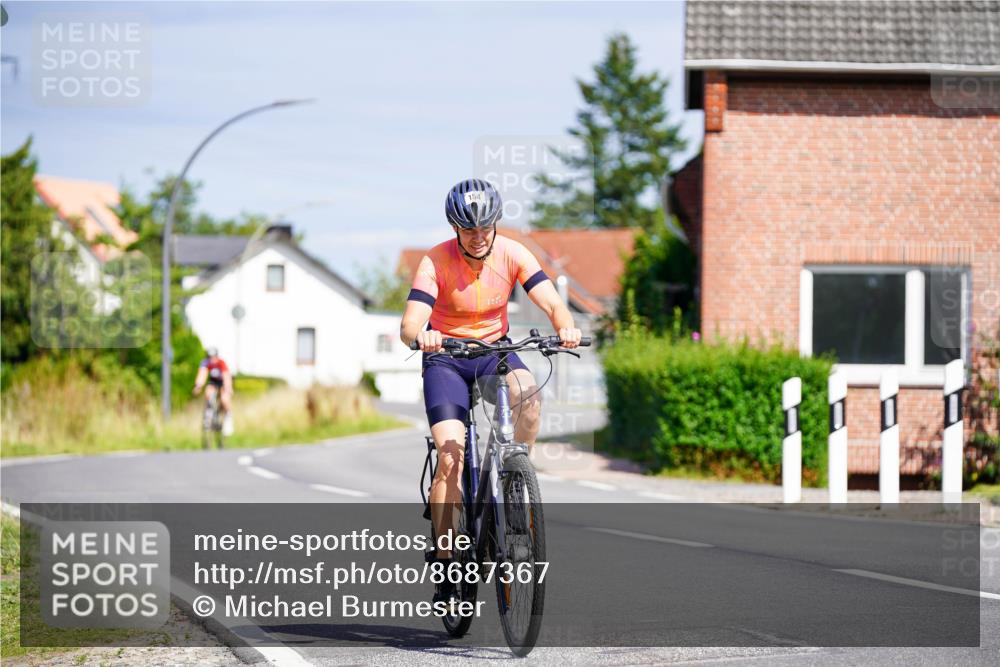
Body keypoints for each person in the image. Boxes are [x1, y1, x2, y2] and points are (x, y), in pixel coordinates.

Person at [399, 178, 581, 604]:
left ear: (496, 225)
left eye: (485, 229)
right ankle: (446, 563)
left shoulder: (513, 253)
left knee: (529, 397)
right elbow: (410, 323)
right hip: (445, 356)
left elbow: (552, 301)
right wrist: (422, 336)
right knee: (450, 457)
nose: (478, 238)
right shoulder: (434, 261)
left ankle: (516, 478)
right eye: (468, 230)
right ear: (455, 228)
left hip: (493, 352)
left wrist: (565, 326)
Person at [192, 347, 233, 425]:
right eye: (210, 357)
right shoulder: (206, 362)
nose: (212, 359)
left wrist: (228, 387)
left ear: (217, 356)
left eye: (213, 357)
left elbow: (226, 376)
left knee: (224, 399)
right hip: (213, 382)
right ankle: (209, 414)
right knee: (208, 393)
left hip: (223, 382)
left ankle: (228, 418)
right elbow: (202, 374)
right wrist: (198, 386)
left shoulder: (221, 363)